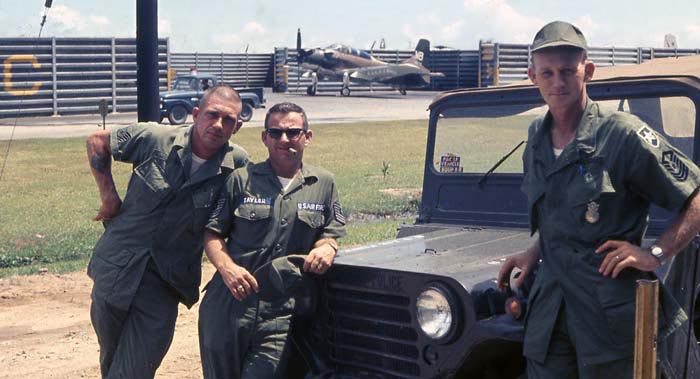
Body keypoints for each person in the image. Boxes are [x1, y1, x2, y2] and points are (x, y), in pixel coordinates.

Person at [497, 21, 700, 378]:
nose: (557, 82)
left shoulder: (621, 134)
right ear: (533, 76)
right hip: (552, 310)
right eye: (547, 73)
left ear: (587, 71)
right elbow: (557, 212)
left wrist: (654, 254)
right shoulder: (536, 138)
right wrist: (533, 251)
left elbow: (696, 196)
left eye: (567, 71)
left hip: (608, 316)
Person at [86, 85, 249, 378]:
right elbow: (98, 141)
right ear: (196, 114)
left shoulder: (237, 165)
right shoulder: (154, 138)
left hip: (165, 281)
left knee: (134, 370)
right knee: (112, 361)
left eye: (228, 120)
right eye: (212, 115)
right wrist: (109, 197)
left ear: (238, 126)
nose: (218, 125)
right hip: (116, 268)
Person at [198, 102, 346, 379]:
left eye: (293, 132)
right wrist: (227, 269)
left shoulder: (323, 183)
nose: (284, 140)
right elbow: (212, 232)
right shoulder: (241, 180)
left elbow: (332, 228)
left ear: (307, 136)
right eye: (275, 133)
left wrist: (328, 246)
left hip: (281, 312)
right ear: (264, 137)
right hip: (229, 305)